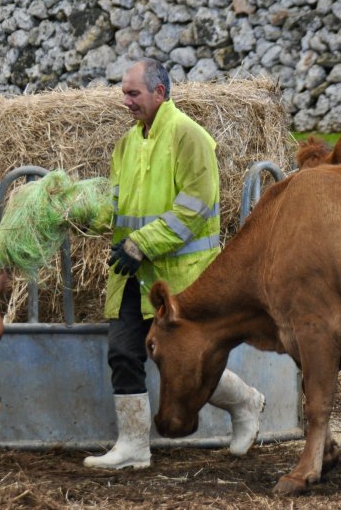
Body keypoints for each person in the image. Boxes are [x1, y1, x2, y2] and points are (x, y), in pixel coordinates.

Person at [84, 58, 265, 470]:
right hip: (133, 272)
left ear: (160, 93)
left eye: (133, 93)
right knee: (123, 353)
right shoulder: (128, 143)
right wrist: (81, 211)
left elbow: (194, 209)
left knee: (182, 364)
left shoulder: (189, 136)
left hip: (180, 279)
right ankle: (133, 447)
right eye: (124, 92)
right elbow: (116, 203)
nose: (125, 101)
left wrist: (142, 244)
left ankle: (247, 402)